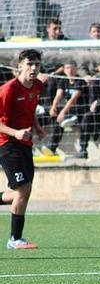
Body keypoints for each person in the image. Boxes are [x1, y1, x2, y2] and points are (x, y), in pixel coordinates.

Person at [0, 49, 47, 250]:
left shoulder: (37, 86)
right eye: (29, 64)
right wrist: (16, 133)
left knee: (22, 192)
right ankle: (14, 239)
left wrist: (36, 127)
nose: (34, 68)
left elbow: (31, 107)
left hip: (25, 144)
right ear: (20, 65)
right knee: (23, 189)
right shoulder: (8, 90)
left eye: (37, 64)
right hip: (6, 143)